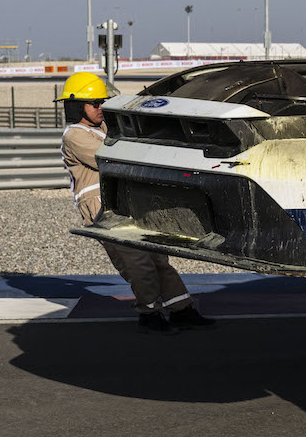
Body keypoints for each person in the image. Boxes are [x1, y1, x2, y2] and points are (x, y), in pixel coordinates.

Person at [58, 71, 214, 334]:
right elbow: (112, 155)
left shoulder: (103, 127)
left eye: (102, 102)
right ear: (77, 106)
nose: (101, 107)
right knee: (137, 263)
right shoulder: (74, 135)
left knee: (158, 259)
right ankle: (149, 314)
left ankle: (181, 310)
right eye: (95, 103)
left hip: (130, 203)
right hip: (103, 208)